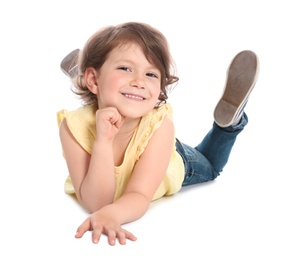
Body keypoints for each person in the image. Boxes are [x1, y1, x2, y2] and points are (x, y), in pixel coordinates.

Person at [57, 21, 259, 246]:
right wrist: (103, 142)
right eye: (125, 68)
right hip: (118, 122)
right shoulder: (73, 126)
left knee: (211, 165)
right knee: (108, 85)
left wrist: (113, 214)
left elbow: (139, 195)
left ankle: (229, 124)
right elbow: (97, 202)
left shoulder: (161, 127)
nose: (139, 82)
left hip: (170, 158)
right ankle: (84, 72)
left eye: (151, 74)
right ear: (93, 79)